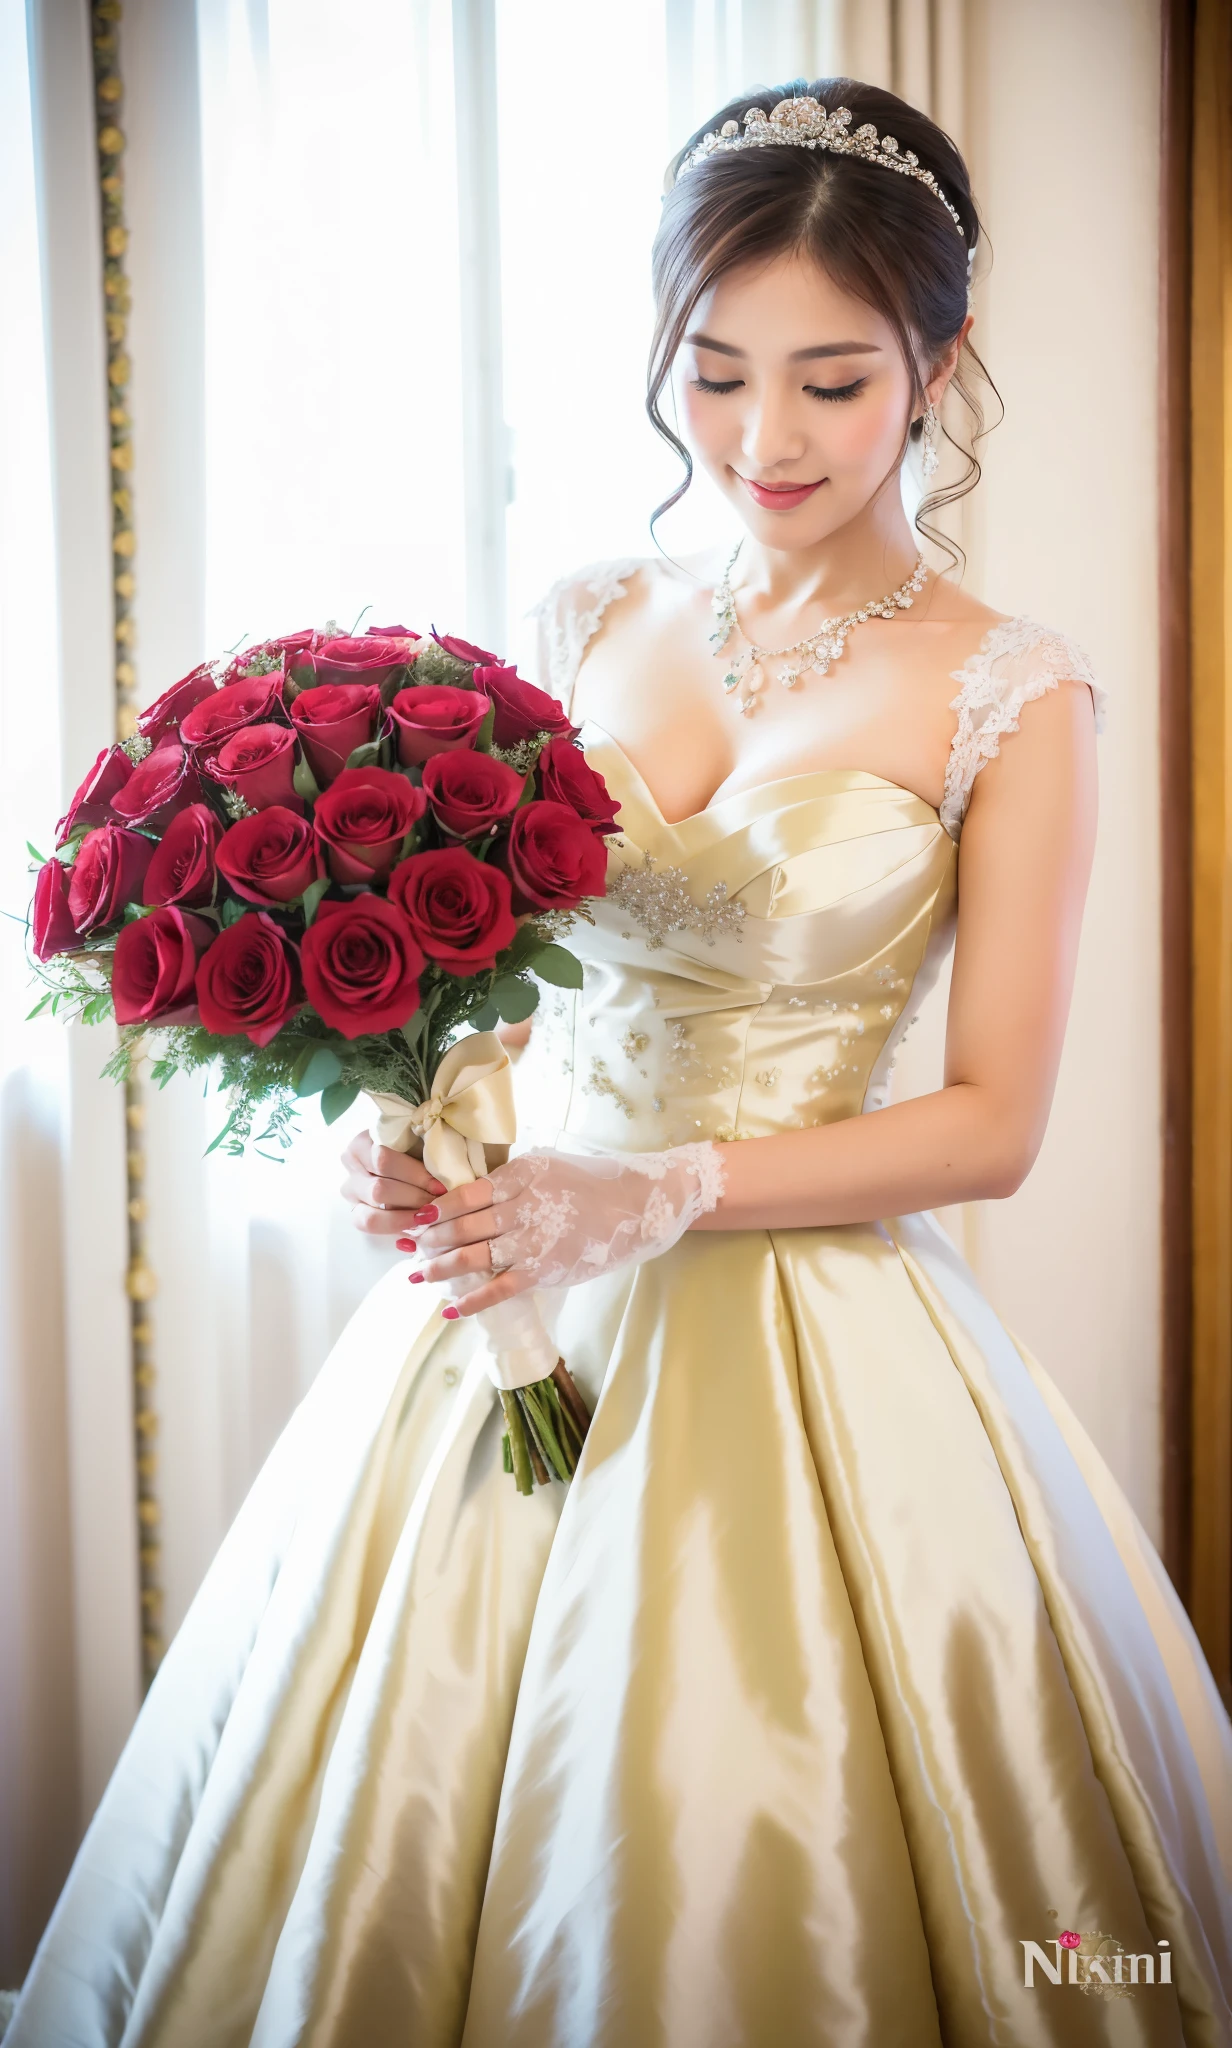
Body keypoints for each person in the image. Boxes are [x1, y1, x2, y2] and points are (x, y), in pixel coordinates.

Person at [10, 78, 1231, 2048]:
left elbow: (994, 1123)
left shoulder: (1014, 685)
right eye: (716, 369)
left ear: (942, 361)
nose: (765, 439)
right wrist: (404, 1126)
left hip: (815, 1333)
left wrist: (659, 1189)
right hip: (520, 1299)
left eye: (834, 382)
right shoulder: (589, 614)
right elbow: (497, 985)